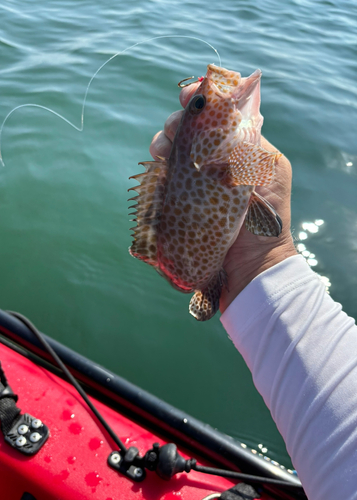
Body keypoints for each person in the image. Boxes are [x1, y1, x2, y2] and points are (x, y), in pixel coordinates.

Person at [149, 82, 357, 500]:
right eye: (203, 106)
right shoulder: (233, 155)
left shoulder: (231, 154)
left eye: (201, 105)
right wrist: (263, 259)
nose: (211, 97)